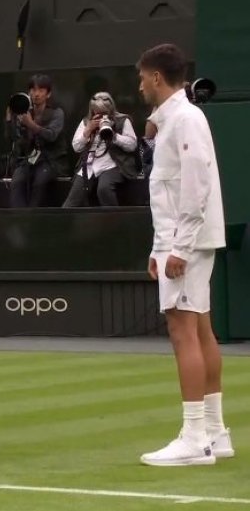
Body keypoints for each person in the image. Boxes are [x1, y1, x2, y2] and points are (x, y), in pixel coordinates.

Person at [137, 43, 232, 466]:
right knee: (201, 328)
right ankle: (215, 431)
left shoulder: (186, 119)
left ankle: (195, 438)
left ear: (157, 77)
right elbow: (171, 191)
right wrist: (161, 247)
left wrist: (178, 247)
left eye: (142, 79)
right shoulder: (172, 122)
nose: (140, 87)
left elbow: (196, 186)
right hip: (180, 240)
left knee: (183, 331)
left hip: (187, 242)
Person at [63, 92, 138, 207]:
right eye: (97, 113)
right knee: (72, 200)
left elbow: (132, 145)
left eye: (104, 113)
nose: (100, 117)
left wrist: (113, 136)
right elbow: (76, 147)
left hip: (113, 164)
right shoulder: (86, 122)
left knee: (104, 189)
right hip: (89, 165)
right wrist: (88, 130)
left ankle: (113, 217)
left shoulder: (122, 120)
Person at [6, 74, 66, 207]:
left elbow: (51, 135)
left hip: (50, 160)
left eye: (41, 90)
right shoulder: (25, 112)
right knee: (17, 181)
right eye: (33, 90)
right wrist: (10, 120)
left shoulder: (56, 113)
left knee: (40, 182)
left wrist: (31, 124)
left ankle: (33, 215)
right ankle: (19, 216)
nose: (36, 94)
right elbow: (13, 139)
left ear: (48, 94)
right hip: (28, 160)